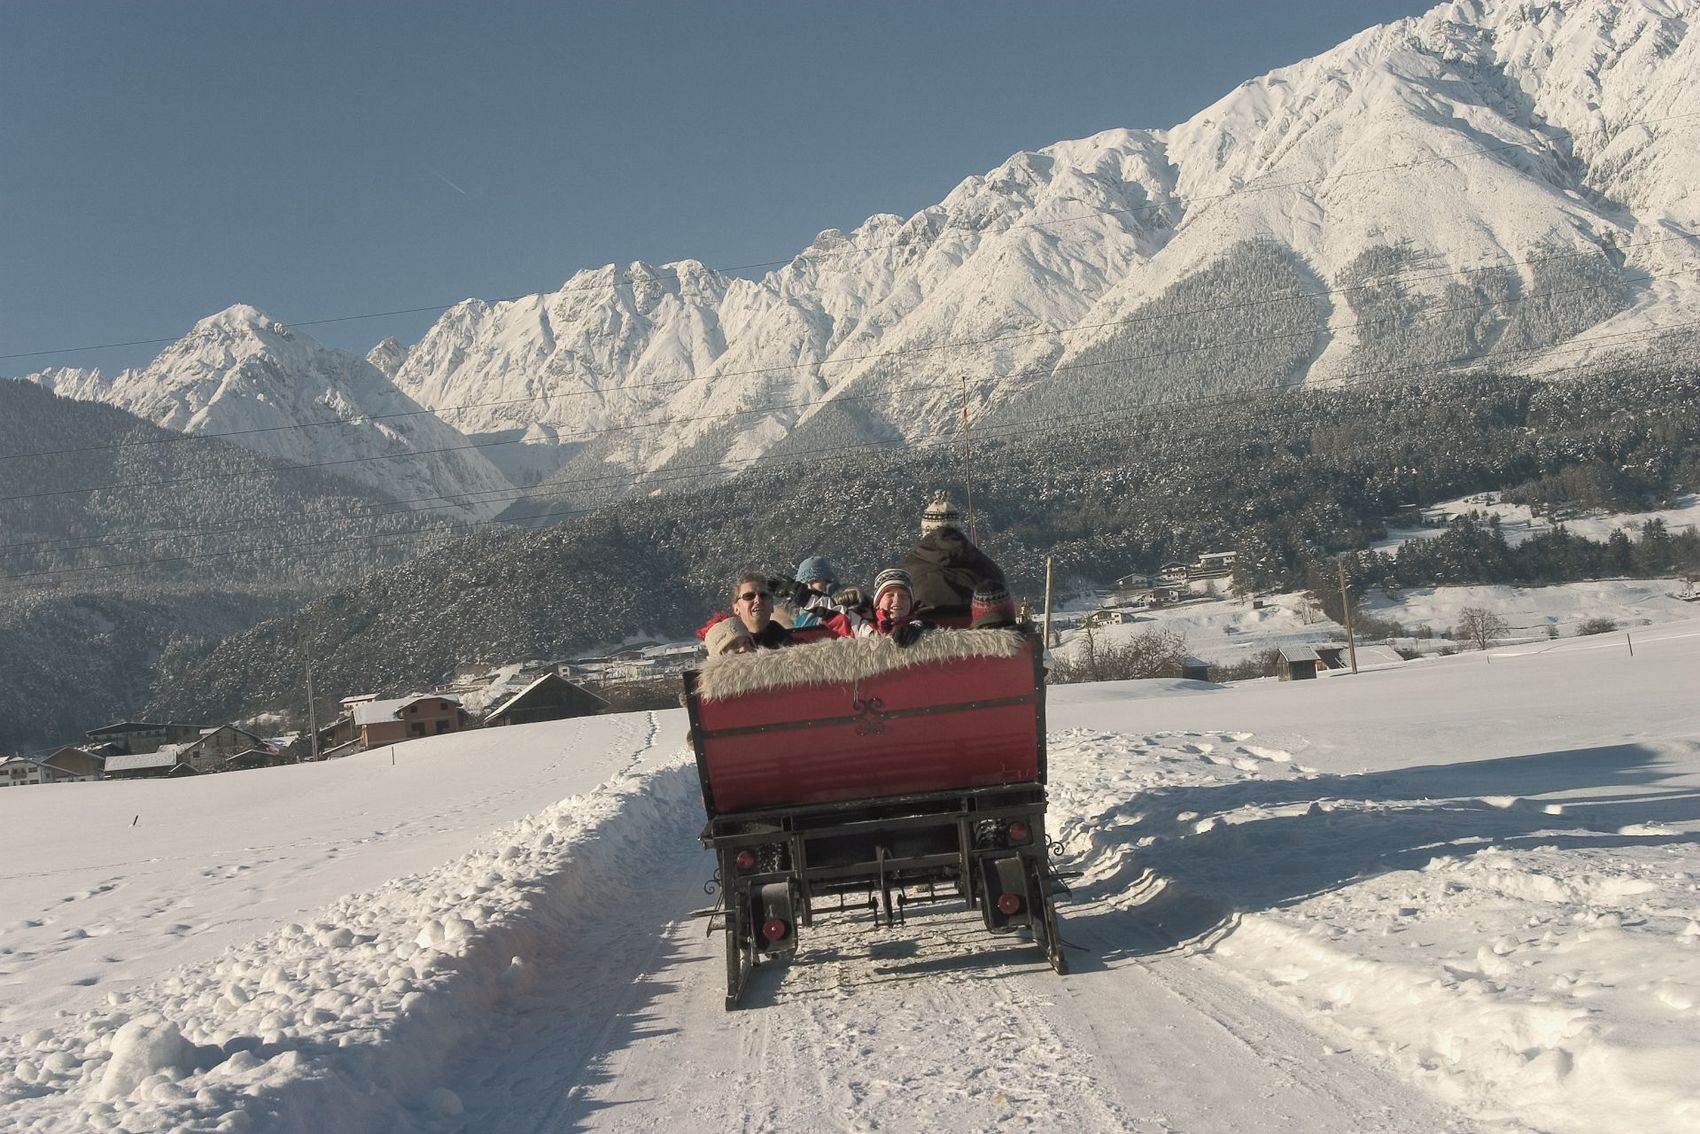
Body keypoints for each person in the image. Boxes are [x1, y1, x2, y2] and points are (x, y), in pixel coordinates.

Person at [900, 490, 1007, 620]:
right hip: (979, 637)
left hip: (924, 636)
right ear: (958, 529)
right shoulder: (988, 568)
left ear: (925, 530)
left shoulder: (907, 571)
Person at [727, 572, 794, 649]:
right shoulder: (727, 647)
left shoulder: (792, 647)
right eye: (749, 596)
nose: (758, 600)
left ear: (772, 606)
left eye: (764, 595)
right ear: (736, 608)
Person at [868, 568, 928, 647]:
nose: (897, 600)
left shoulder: (924, 628)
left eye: (903, 596)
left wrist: (921, 630)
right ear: (878, 602)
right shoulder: (865, 628)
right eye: (890, 595)